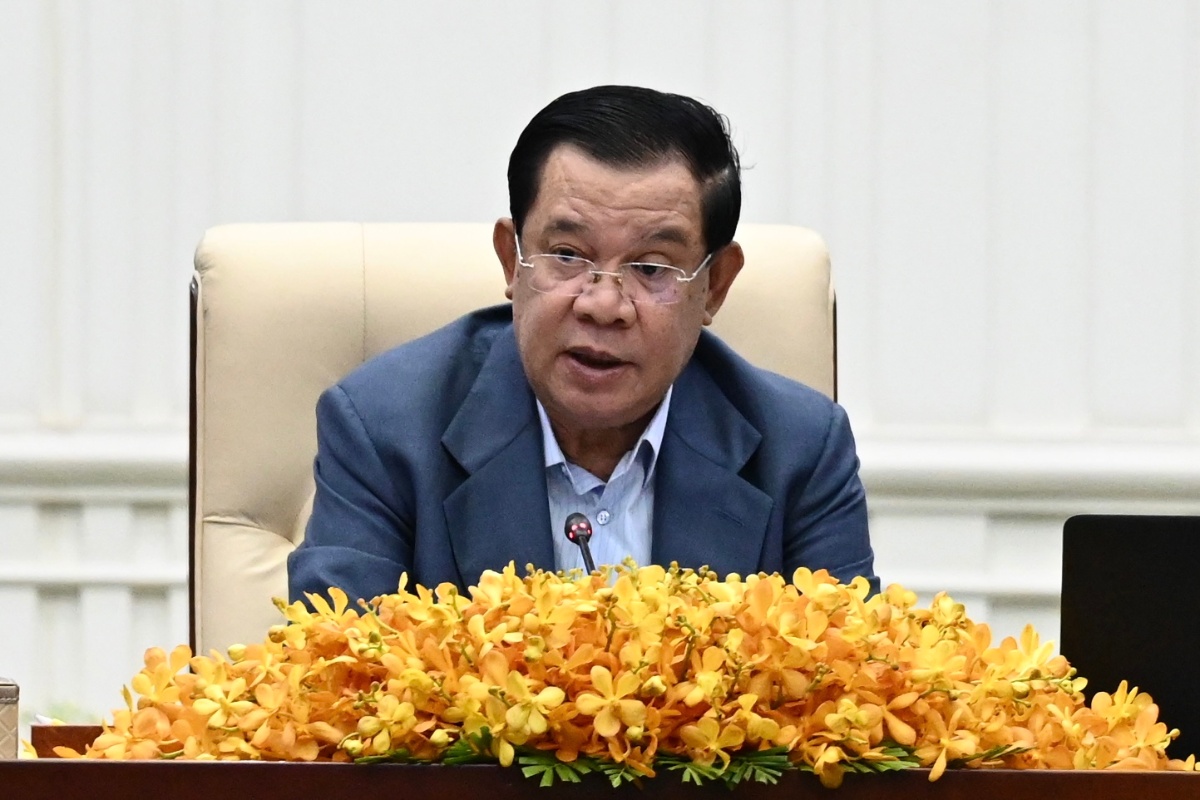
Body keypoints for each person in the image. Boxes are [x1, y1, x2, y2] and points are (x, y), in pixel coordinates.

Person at [287, 85, 878, 604]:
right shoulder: (385, 429)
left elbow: (848, 680)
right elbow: (338, 674)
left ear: (715, 285)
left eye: (651, 267)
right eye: (567, 255)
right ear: (511, 261)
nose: (603, 304)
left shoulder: (800, 450)